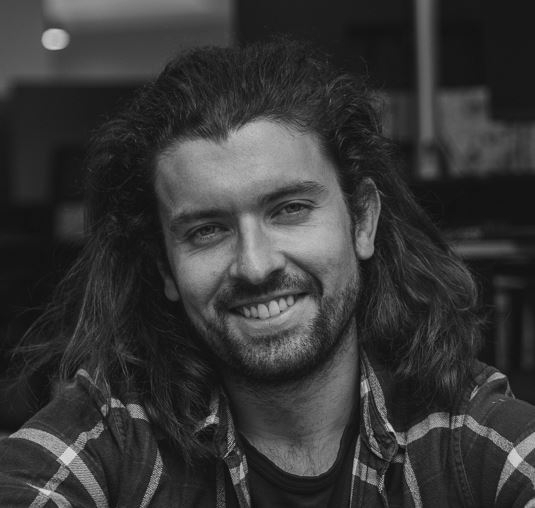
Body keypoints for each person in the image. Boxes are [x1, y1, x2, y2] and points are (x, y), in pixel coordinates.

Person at [1, 39, 534, 508]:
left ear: (362, 222)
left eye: (290, 209)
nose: (255, 266)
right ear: (166, 267)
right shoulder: (113, 435)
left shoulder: (465, 433)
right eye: (207, 230)